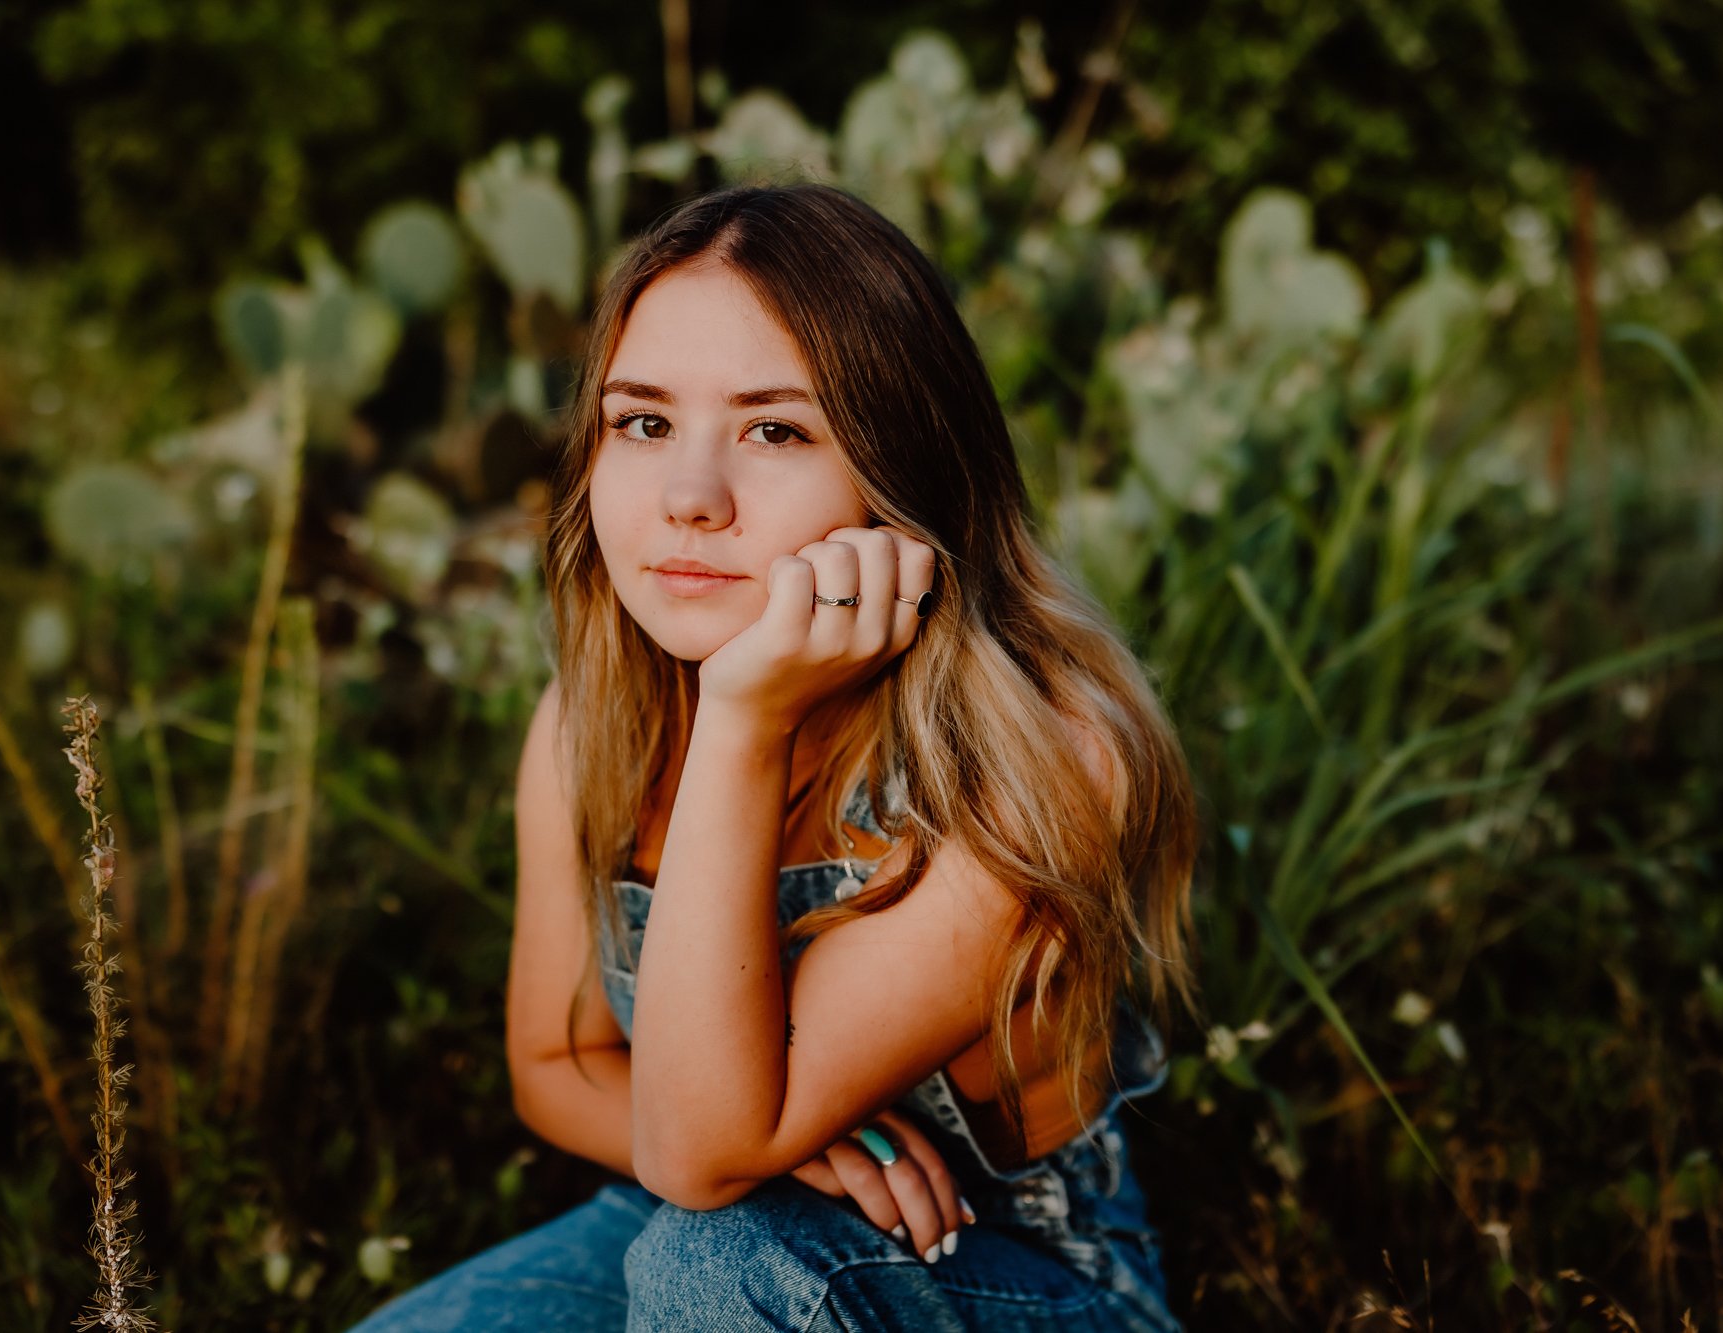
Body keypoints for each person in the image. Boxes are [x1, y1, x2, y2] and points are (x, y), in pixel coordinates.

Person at [349, 182, 1198, 1332]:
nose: (689, 498)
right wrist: (789, 1154)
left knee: (718, 1266)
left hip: (1011, 1269)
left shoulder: (1040, 761)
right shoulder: (590, 721)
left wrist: (744, 722)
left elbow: (699, 1155)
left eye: (775, 430)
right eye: (642, 422)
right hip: (707, 1217)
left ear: (903, 472)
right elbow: (556, 1064)